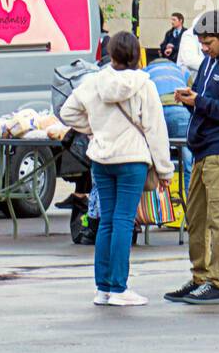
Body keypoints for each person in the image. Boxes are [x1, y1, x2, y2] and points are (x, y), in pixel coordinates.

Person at [59, 32, 174, 306]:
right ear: (136, 54)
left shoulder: (94, 82)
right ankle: (120, 288)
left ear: (110, 53)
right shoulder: (144, 84)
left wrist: (94, 130)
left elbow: (67, 113)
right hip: (132, 160)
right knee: (124, 221)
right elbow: (156, 130)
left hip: (101, 160)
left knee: (106, 222)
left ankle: (103, 288)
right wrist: (165, 170)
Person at [165, 11, 219, 306]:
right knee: (197, 217)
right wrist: (191, 99)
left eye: (208, 42)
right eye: (201, 42)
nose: (203, 47)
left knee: (217, 218)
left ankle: (217, 283)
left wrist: (199, 101)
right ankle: (199, 277)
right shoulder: (209, 62)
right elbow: (207, 104)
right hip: (203, 148)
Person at [143, 55, 193, 179]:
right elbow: (192, 91)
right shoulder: (181, 70)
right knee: (188, 161)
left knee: (154, 156)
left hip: (158, 112)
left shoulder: (145, 71)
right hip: (181, 111)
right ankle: (189, 197)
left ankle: (159, 195)